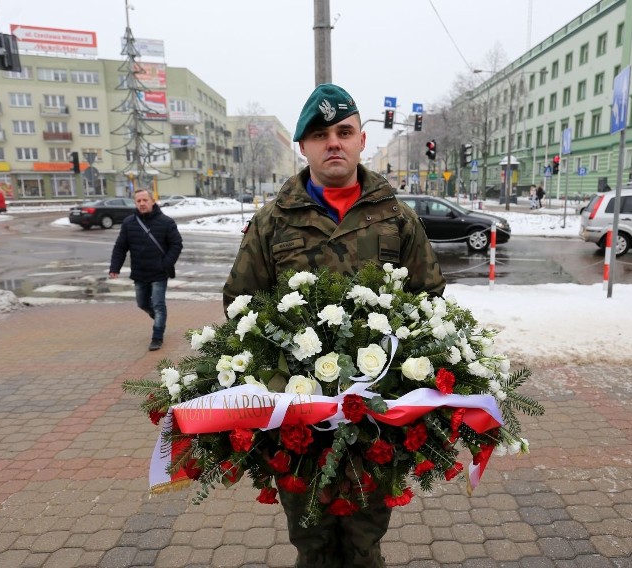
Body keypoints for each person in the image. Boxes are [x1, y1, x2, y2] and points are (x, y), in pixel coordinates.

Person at [223, 83, 445, 568]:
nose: (334, 143)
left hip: (376, 425)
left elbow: (430, 302)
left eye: (344, 132)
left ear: (362, 139)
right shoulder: (272, 223)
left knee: (365, 543)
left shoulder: (398, 220)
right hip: (300, 427)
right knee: (312, 544)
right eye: (320, 134)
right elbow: (239, 308)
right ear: (303, 147)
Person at [109, 188, 183, 351]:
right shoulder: (129, 223)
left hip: (159, 272)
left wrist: (166, 264)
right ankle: (158, 317)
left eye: (145, 200)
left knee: (158, 304)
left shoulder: (166, 222)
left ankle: (157, 336)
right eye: (138, 201)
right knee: (142, 303)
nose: (142, 203)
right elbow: (121, 247)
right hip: (139, 272)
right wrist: (115, 267)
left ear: (152, 201)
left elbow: (176, 244)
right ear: (135, 203)